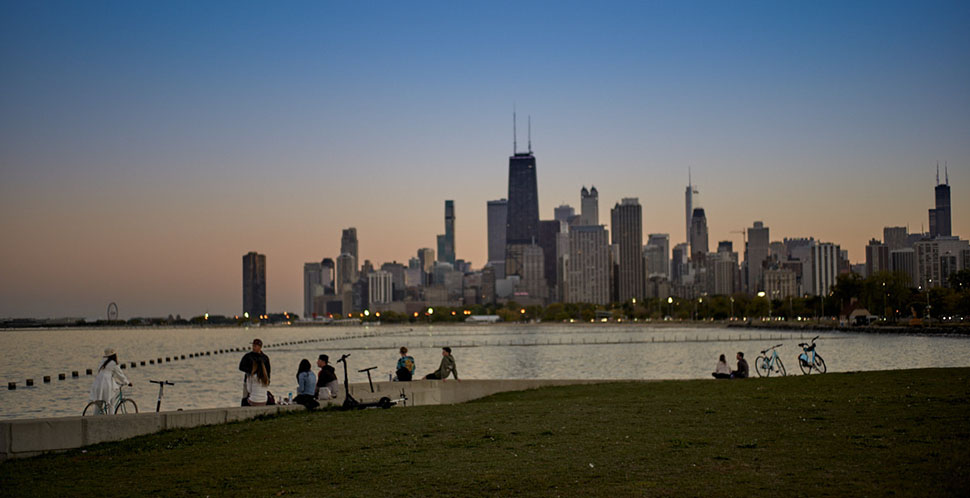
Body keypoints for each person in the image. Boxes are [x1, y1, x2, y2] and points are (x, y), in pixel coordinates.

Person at [239, 338, 271, 406]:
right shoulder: (248, 356)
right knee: (245, 397)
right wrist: (252, 372)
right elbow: (241, 367)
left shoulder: (265, 358)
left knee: (258, 395)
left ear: (260, 347)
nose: (253, 348)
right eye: (253, 346)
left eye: (255, 346)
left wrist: (268, 380)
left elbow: (268, 370)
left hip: (261, 380)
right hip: (248, 379)